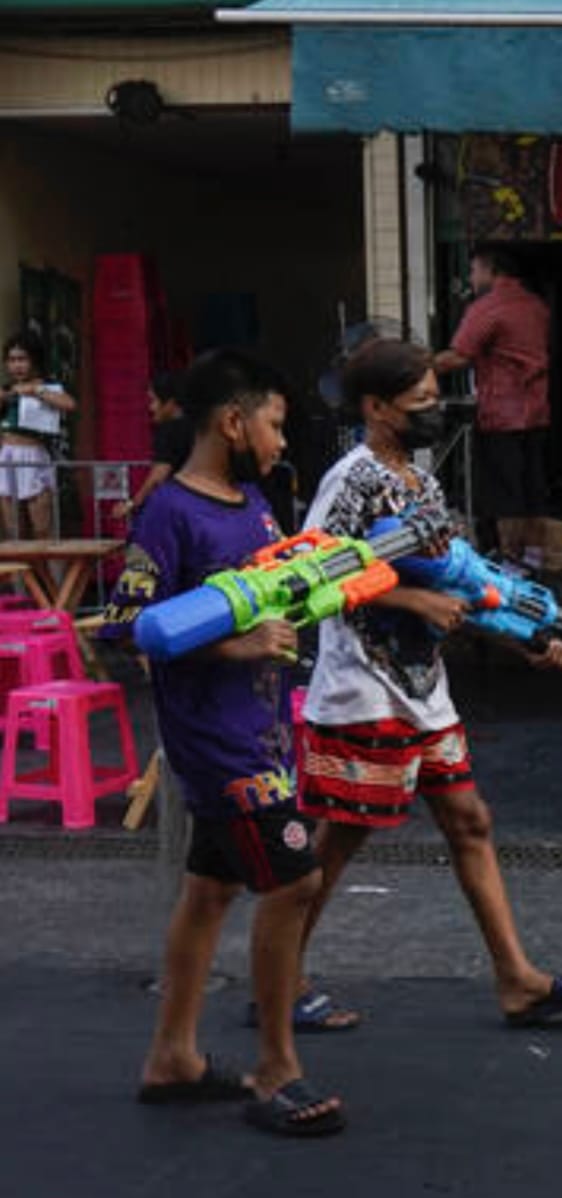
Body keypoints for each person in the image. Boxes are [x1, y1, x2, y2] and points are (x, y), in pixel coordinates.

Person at [291, 338, 562, 1030]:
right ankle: (278, 976)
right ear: (375, 408)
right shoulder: (351, 478)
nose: (437, 411)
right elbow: (313, 576)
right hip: (363, 680)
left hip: (422, 681)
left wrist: (525, 639)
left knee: (469, 819)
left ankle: (517, 978)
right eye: (423, 402)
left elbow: (462, 585)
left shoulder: (423, 482)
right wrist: (413, 604)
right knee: (340, 836)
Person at [104, 348, 344, 1137]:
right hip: (217, 741)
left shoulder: (254, 505)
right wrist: (234, 645)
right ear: (231, 422)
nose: (282, 441)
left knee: (210, 890)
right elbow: (123, 628)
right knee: (295, 882)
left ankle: (172, 1057)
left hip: (265, 729)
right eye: (274, 424)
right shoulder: (169, 512)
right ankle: (277, 1064)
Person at [435, 244, 550, 554]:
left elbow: (459, 356)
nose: (471, 278)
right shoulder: (535, 304)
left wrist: (414, 368)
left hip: (502, 414)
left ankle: (510, 562)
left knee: (504, 494)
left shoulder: (489, 307)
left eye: (474, 270)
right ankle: (534, 559)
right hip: (537, 411)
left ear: (491, 270)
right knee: (531, 489)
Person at [2, 330, 76, 540]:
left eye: (22, 359)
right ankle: (22, 574)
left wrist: (36, 391)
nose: (17, 365)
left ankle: (46, 572)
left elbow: (69, 404)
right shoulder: (7, 390)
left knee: (42, 527)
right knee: (13, 530)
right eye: (12, 360)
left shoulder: (46, 386)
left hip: (34, 455)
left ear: (34, 360)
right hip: (7, 457)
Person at [125, 371, 192, 520]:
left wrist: (133, 503)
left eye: (153, 401)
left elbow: (158, 476)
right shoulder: (202, 427)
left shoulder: (168, 431)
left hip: (179, 508)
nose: (151, 408)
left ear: (170, 403)